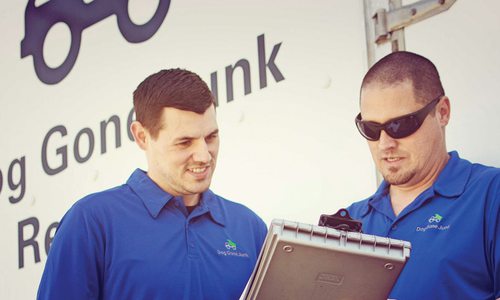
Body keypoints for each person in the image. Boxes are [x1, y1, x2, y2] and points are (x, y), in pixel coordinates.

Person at [37, 68, 268, 300]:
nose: (204, 156)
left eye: (210, 137)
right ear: (141, 136)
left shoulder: (250, 228)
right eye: (185, 142)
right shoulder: (92, 221)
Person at [347, 51, 499, 300]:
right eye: (371, 129)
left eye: (400, 125)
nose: (385, 144)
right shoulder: (349, 221)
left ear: (442, 112)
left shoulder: (491, 195)